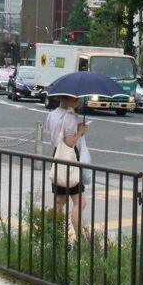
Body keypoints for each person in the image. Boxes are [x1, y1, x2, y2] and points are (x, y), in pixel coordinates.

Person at [45, 94, 89, 240]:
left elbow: (56, 136)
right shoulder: (70, 116)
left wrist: (74, 129)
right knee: (80, 202)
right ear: (68, 100)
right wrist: (80, 132)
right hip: (69, 159)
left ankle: (53, 235)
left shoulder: (51, 115)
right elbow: (70, 142)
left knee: (59, 201)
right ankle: (79, 238)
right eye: (76, 99)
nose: (78, 101)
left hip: (57, 156)